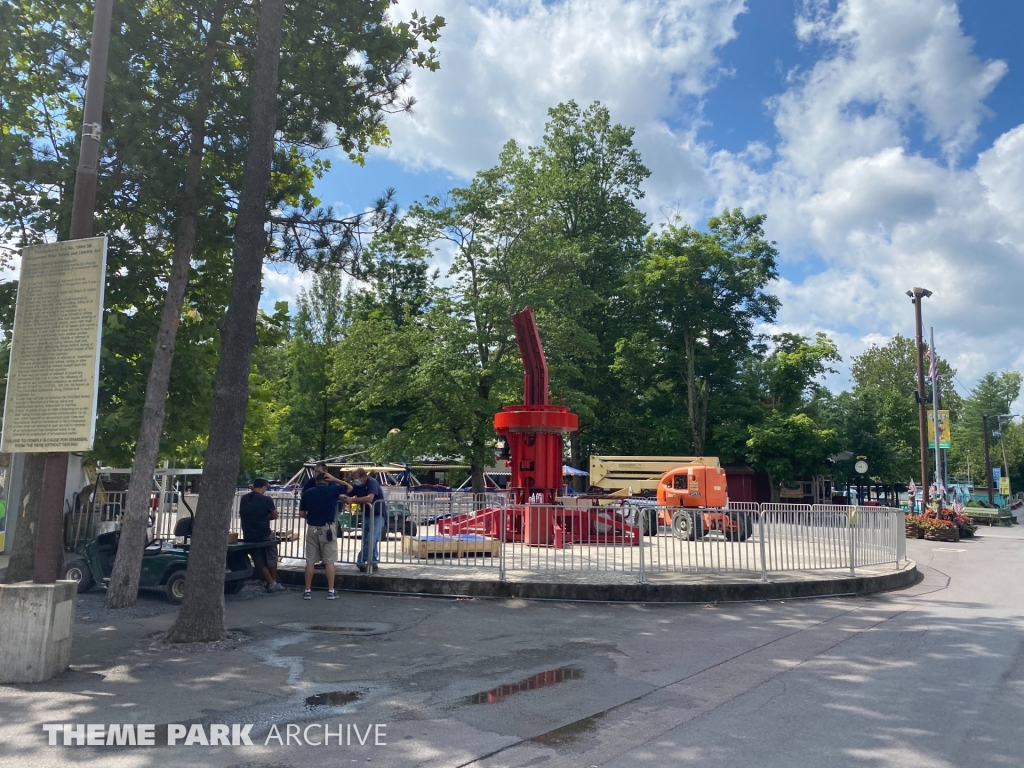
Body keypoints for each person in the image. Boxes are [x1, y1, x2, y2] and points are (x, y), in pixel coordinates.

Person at [299, 469, 351, 600]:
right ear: (326, 481)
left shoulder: (307, 493)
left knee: (310, 561)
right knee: (329, 561)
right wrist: (334, 479)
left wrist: (311, 520)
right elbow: (349, 487)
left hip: (312, 528)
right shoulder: (332, 490)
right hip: (327, 528)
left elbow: (302, 513)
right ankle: (331, 591)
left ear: (315, 481)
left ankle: (307, 590)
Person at [239, 478, 284, 592]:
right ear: (264, 487)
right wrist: (265, 516)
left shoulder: (244, 499)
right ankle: (273, 581)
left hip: (248, 534)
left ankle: (271, 583)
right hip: (264, 534)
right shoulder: (266, 499)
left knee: (258, 560)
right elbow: (274, 515)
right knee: (272, 555)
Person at [345, 468, 387, 572]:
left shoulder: (372, 482)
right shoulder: (356, 486)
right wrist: (344, 497)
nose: (355, 481)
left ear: (364, 477)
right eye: (353, 479)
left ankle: (361, 560)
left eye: (356, 478)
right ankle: (373, 561)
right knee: (368, 540)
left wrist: (353, 500)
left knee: (371, 539)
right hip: (367, 514)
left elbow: (370, 498)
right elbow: (348, 494)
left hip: (378, 514)